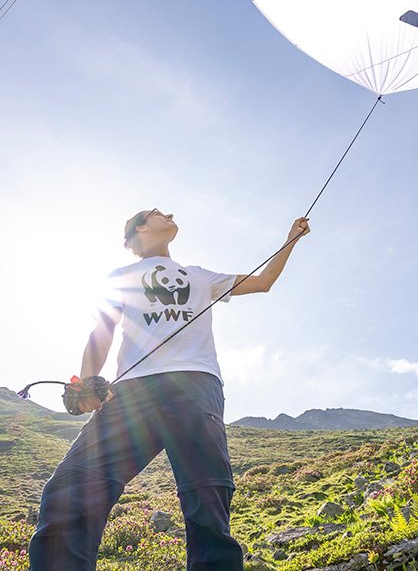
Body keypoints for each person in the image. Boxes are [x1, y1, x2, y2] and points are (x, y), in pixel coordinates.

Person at [29, 207, 310, 571]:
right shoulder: (120, 276)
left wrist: (290, 240)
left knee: (207, 496)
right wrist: (86, 383)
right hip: (130, 394)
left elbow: (264, 280)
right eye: (160, 212)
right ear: (140, 229)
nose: (171, 214)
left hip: (195, 383)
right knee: (71, 489)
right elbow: (103, 330)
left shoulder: (200, 276)